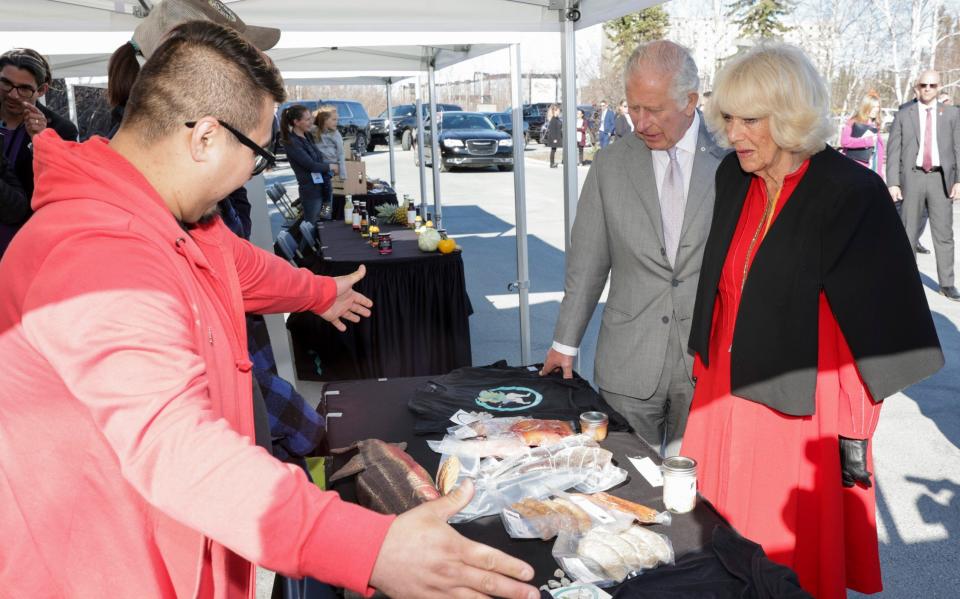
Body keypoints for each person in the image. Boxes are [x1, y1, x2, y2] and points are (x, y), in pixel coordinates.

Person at [0, 21, 537, 599]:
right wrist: (366, 546)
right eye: (256, 154)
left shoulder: (163, 213)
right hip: (105, 573)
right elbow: (176, 449)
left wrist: (320, 292)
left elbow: (244, 267)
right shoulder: (97, 253)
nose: (253, 171)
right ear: (205, 137)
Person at [683, 43, 943, 599]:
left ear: (790, 116)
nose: (735, 133)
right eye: (728, 118)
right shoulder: (734, 175)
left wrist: (855, 428)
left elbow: (882, 329)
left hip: (800, 411)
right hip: (723, 393)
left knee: (779, 557)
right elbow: (720, 284)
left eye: (750, 120)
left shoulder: (851, 192)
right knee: (712, 543)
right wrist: (700, 357)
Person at [540, 40, 727, 457]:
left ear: (690, 100)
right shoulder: (610, 165)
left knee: (697, 497)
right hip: (628, 361)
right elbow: (587, 263)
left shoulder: (732, 157)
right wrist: (565, 342)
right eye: (633, 107)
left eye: (654, 109)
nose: (641, 122)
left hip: (709, 365)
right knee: (623, 484)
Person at [886, 69, 960, 301]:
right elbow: (893, 150)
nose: (928, 89)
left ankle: (947, 283)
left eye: (933, 85)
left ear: (939, 87)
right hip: (912, 178)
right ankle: (906, 281)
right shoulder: (903, 114)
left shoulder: (951, 114)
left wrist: (958, 180)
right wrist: (893, 183)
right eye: (923, 85)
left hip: (941, 180)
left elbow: (958, 148)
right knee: (907, 231)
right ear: (916, 87)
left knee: (944, 233)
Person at [0, 47, 78, 254]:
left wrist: (42, 142)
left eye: (24, 89)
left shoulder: (60, 130)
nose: (13, 94)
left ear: (42, 90)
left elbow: (62, 189)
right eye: (5, 83)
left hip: (24, 242)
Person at [281, 104, 336, 225]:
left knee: (326, 222)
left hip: (324, 189)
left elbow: (318, 159)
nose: (311, 122)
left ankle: (323, 243)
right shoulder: (292, 143)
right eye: (307, 119)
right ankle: (310, 245)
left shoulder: (307, 135)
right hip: (312, 194)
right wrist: (331, 166)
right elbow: (311, 165)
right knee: (312, 226)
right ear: (296, 122)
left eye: (311, 118)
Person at [314, 104, 348, 220]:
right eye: (333, 119)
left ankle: (327, 209)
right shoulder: (315, 131)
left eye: (337, 119)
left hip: (330, 167)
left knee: (326, 184)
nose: (336, 122)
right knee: (318, 186)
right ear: (324, 120)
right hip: (318, 166)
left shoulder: (336, 134)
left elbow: (341, 153)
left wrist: (343, 173)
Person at [840, 91, 885, 176]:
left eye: (878, 107)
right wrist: (866, 141)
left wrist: (880, 174)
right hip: (855, 170)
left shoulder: (875, 125)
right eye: (873, 107)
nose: (876, 110)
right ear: (865, 107)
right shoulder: (853, 122)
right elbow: (844, 141)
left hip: (873, 171)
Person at [543, 103, 562, 168]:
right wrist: (554, 139)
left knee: (554, 150)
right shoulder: (553, 119)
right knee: (553, 150)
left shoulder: (557, 118)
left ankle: (553, 162)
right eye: (558, 111)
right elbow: (552, 130)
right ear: (555, 111)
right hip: (554, 137)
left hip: (557, 136)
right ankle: (552, 163)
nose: (559, 112)